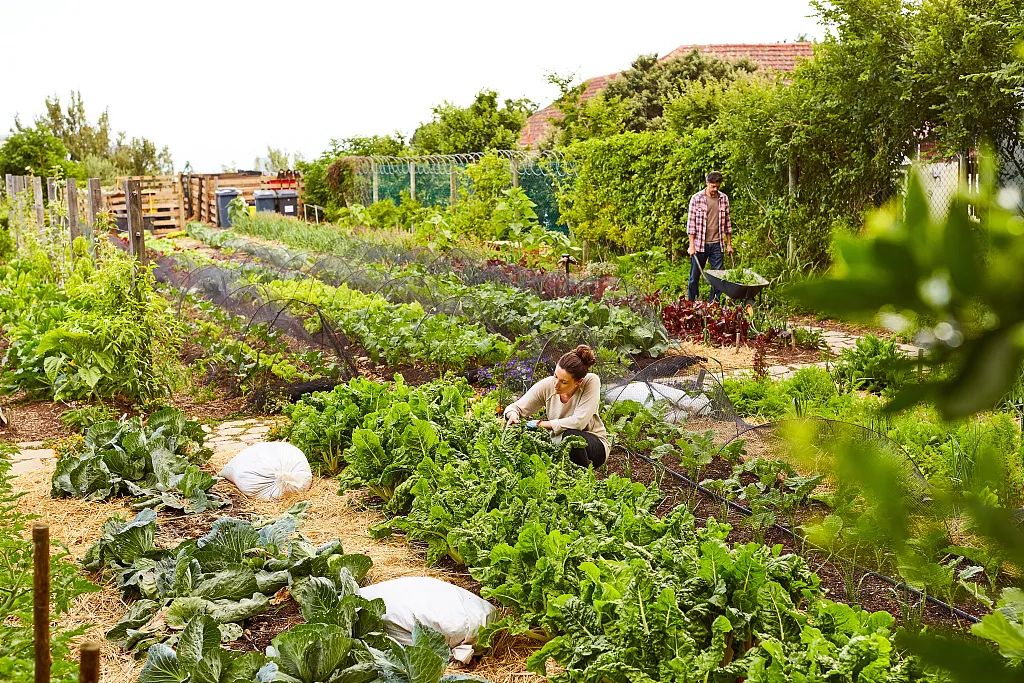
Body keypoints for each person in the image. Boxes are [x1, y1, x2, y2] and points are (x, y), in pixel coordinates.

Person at [502, 345, 609, 467]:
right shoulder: (548, 385)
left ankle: (583, 481)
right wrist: (513, 415)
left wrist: (540, 424)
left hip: (593, 445)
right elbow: (515, 408)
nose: (556, 384)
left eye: (564, 382)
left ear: (578, 382)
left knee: (571, 438)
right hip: (557, 443)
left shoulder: (590, 382)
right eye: (555, 376)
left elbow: (578, 422)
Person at [686, 171, 734, 302]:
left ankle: (713, 306)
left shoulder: (723, 198)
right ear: (707, 183)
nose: (715, 189)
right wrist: (691, 246)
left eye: (717, 186)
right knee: (693, 278)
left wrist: (729, 244)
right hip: (699, 244)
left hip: (717, 244)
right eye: (712, 186)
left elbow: (727, 224)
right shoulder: (696, 198)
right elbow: (691, 224)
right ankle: (690, 305)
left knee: (719, 278)